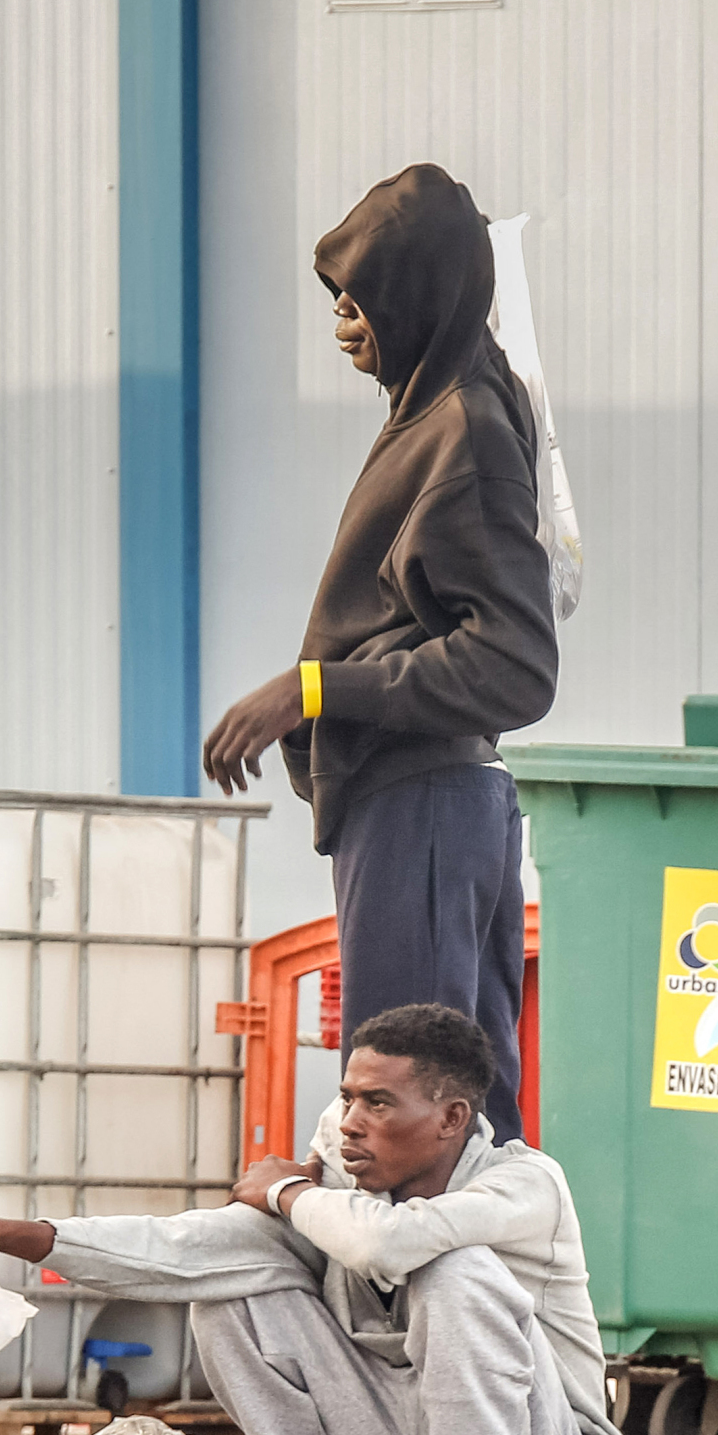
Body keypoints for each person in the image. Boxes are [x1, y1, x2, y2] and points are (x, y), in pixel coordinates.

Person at [0, 1003, 643, 1435]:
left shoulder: (524, 1185)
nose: (351, 1126)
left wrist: (286, 1193)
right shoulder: (333, 1190)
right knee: (228, 1280)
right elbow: (190, 1246)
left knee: (456, 1270)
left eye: (379, 1104)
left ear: (451, 1118)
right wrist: (16, 1236)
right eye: (347, 1100)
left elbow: (391, 1242)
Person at [199, 164, 556, 1144]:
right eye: (337, 298)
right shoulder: (444, 405)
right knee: (456, 1118)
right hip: (425, 812)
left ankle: (416, 1300)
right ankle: (478, 1294)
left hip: (425, 813)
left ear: (426, 293)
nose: (346, 319)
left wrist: (314, 688)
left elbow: (517, 666)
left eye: (367, 295)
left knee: (409, 1118)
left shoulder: (465, 429)